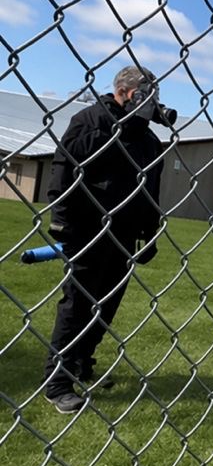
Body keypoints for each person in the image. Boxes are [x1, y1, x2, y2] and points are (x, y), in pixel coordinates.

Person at [42, 66, 171, 414]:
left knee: (107, 303)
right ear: (127, 92)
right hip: (87, 228)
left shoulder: (146, 137)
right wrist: (61, 220)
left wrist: (150, 231)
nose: (153, 101)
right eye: (147, 93)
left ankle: (83, 362)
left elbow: (150, 189)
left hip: (125, 234)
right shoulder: (91, 121)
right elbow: (63, 167)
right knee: (78, 303)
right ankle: (57, 381)